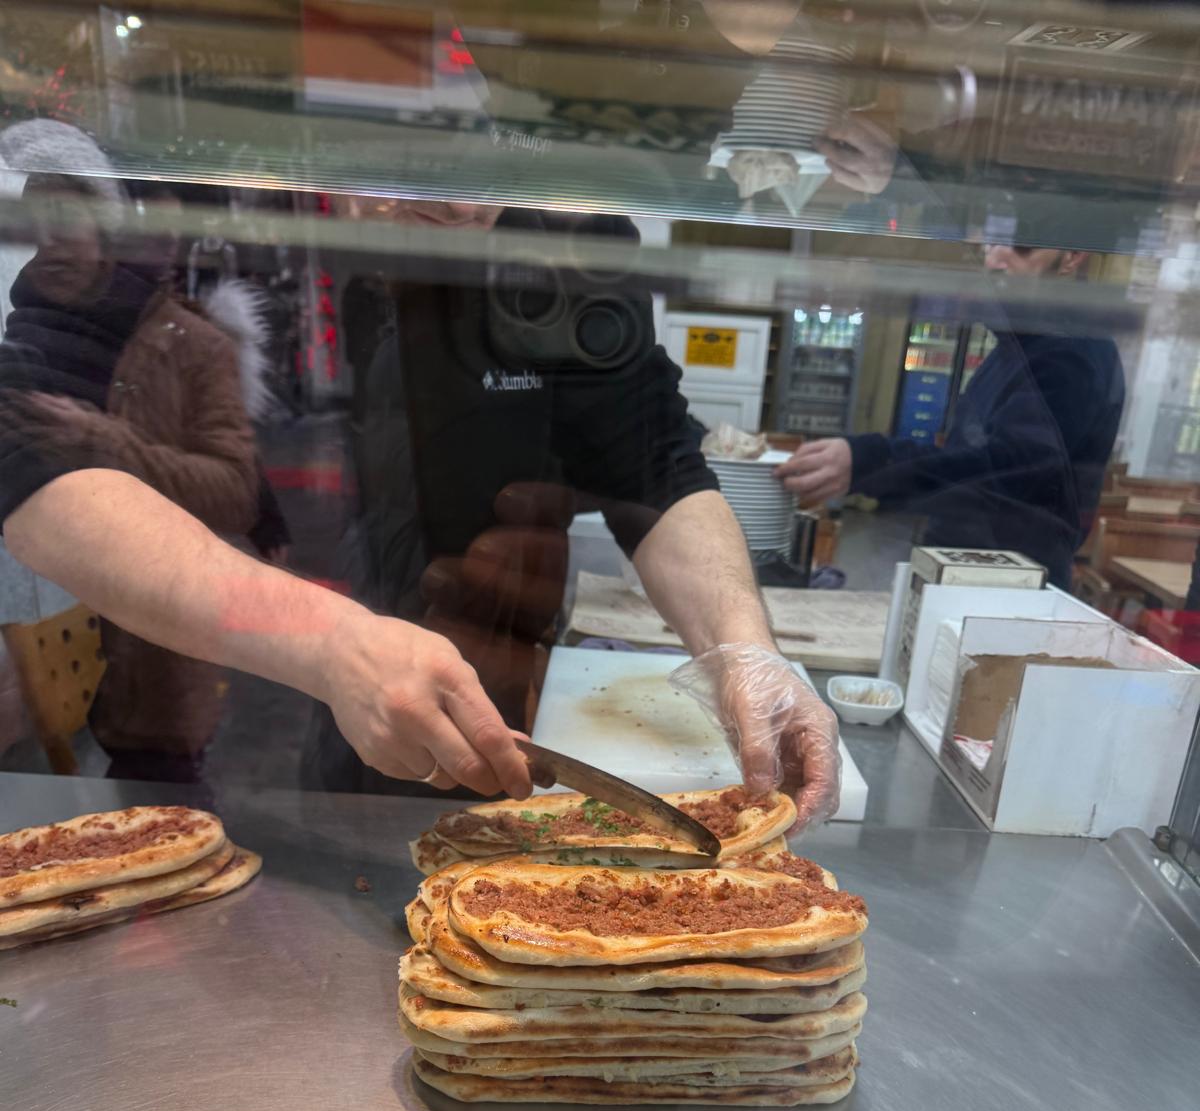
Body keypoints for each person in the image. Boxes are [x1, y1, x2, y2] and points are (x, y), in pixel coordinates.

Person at [0, 123, 841, 827]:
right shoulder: (196, 206)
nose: (459, 207)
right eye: (415, 169)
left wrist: (743, 649)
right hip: (224, 712)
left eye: (488, 171)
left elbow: (653, 464)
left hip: (493, 715)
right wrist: (329, 644)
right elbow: (34, 469)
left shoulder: (557, 235)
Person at [0, 126, 277, 784]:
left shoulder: (190, 343)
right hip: (28, 658)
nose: (51, 238)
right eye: (32, 219)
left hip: (150, 671)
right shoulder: (12, 336)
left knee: (166, 826)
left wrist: (103, 440)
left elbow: (233, 491)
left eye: (68, 217)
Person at [776, 243, 1126, 590]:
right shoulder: (1019, 347)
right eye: (991, 244)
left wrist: (874, 460)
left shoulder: (1071, 350)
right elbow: (972, 460)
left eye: (1022, 248)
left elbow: (1009, 473)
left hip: (1011, 583)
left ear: (1072, 256)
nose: (994, 262)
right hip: (971, 570)